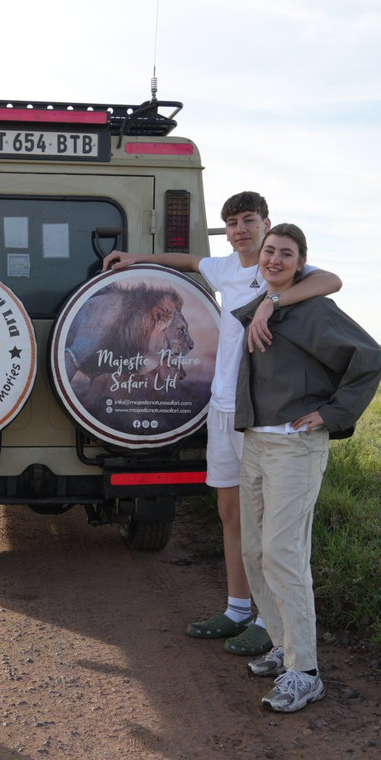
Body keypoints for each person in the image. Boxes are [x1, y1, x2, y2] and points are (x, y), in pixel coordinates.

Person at [102, 192, 342, 656]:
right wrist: (137, 259)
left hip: (258, 411)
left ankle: (270, 622)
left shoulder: (278, 268)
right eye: (232, 223)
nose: (240, 230)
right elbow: (190, 261)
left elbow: (332, 281)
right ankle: (237, 609)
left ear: (266, 223)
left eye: (249, 221)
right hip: (221, 407)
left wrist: (272, 300)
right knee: (230, 514)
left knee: (264, 523)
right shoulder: (227, 268)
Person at [233, 223, 381, 712]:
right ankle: (283, 645)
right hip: (257, 441)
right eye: (269, 251)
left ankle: (306, 672)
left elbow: (371, 359)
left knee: (284, 553)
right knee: (255, 550)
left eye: (286, 253)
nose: (275, 259)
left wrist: (331, 414)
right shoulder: (266, 303)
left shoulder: (315, 310)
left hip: (295, 448)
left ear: (302, 263)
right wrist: (268, 302)